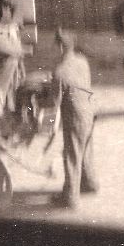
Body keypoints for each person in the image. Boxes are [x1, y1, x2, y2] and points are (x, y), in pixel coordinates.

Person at [50, 29, 97, 209]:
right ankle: (90, 183)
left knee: (72, 155)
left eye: (55, 47)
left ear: (61, 47)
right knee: (86, 149)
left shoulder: (59, 71)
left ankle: (70, 198)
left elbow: (54, 102)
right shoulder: (82, 62)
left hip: (75, 116)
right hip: (90, 110)